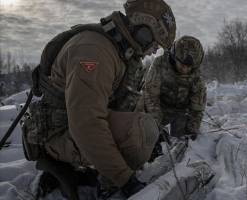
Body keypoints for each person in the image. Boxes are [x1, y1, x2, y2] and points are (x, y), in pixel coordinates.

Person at [21, 0, 176, 199]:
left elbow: (123, 105)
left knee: (148, 129)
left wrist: (155, 135)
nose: (154, 50)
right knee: (141, 131)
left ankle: (94, 167)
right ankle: (67, 167)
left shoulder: (120, 53)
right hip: (55, 133)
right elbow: (86, 123)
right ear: (143, 31)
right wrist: (125, 180)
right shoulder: (96, 51)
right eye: (154, 43)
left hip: (72, 127)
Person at [136, 36, 207, 142]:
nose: (185, 69)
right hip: (158, 107)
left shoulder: (197, 77)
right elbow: (151, 96)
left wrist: (192, 129)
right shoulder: (159, 64)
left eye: (189, 67)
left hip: (180, 112)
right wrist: (156, 126)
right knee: (141, 106)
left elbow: (197, 109)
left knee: (182, 138)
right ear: (174, 57)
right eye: (182, 64)